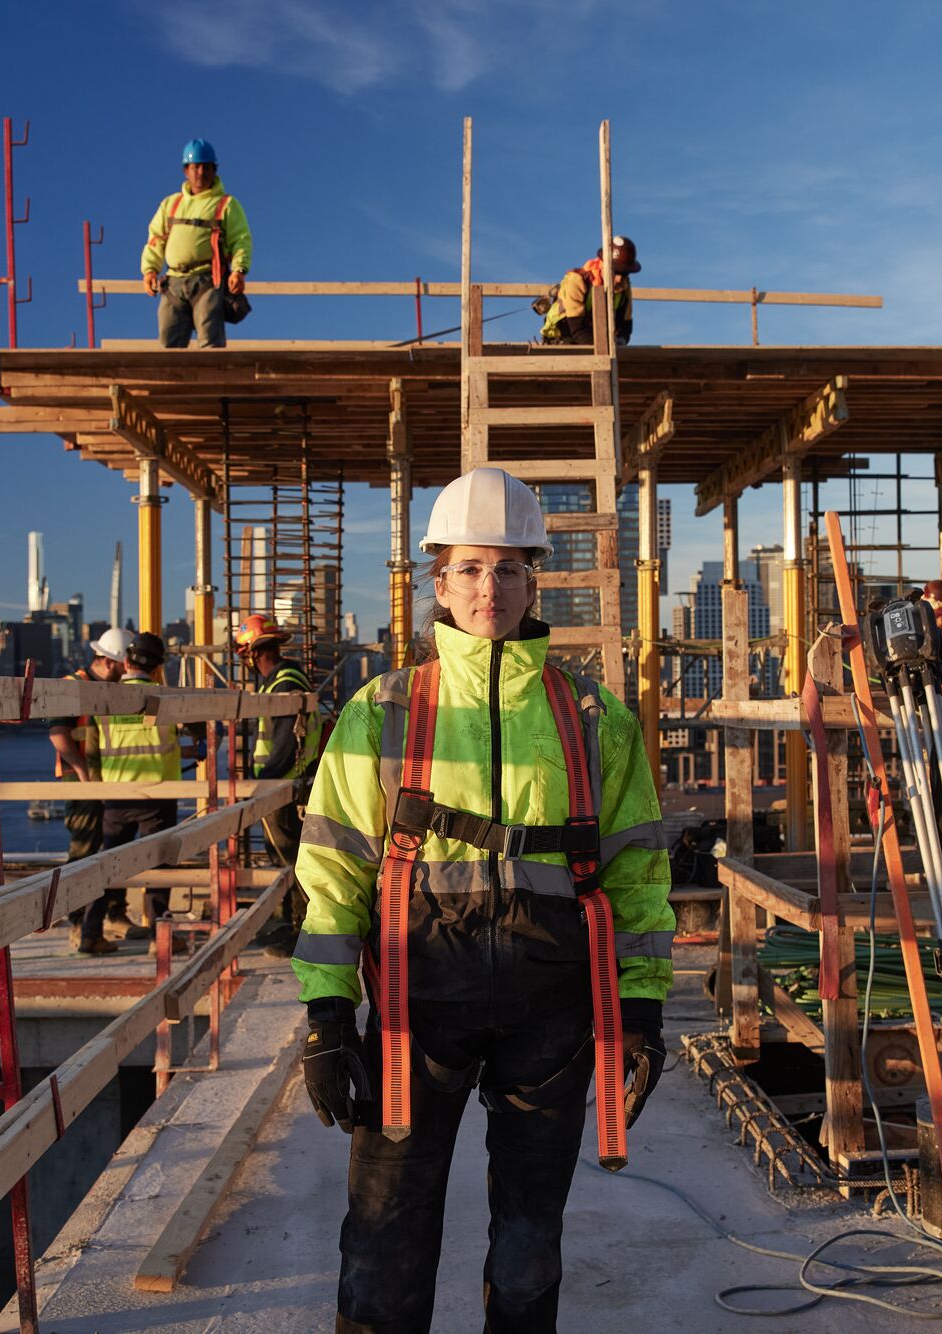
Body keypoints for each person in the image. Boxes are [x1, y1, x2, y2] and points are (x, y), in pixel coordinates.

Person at [292, 466, 673, 1332]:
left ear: (534, 576)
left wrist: (644, 1011)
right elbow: (333, 874)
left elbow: (640, 876)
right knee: (384, 1241)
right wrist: (324, 1017)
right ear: (439, 578)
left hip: (553, 1014)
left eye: (506, 568)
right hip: (413, 1009)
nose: (487, 588)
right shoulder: (380, 712)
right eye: (469, 568)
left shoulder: (594, 717)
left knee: (531, 1245)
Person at [234, 612, 320, 954]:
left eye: (247, 655)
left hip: (282, 786)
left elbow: (286, 743)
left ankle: (301, 930)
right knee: (285, 857)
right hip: (283, 783)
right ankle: (291, 925)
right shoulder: (281, 681)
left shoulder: (284, 683)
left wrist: (263, 784)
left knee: (290, 860)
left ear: (256, 652)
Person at [49, 627, 131, 955]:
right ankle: (79, 922)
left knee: (112, 848)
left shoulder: (107, 688)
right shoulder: (75, 686)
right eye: (125, 665)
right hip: (81, 781)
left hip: (104, 779)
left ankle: (112, 913)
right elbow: (59, 734)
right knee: (85, 850)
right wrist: (83, 773)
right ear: (112, 662)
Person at [95, 632, 182, 941]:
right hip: (158, 794)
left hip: (116, 795)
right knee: (160, 867)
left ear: (126, 661)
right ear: (159, 665)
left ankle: (91, 930)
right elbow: (198, 727)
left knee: (108, 865)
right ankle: (161, 935)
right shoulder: (166, 698)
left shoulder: (105, 697)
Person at [141, 138, 252, 350]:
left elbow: (241, 240)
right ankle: (172, 384)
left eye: (206, 167)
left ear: (214, 170)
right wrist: (149, 270)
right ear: (186, 171)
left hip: (208, 282)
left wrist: (239, 270)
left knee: (210, 345)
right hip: (173, 283)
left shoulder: (226, 205)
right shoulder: (171, 204)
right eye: (195, 167)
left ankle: (212, 383)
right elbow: (156, 239)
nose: (200, 172)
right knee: (168, 345)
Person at [538, 236, 639, 346]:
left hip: (598, 342)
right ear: (603, 265)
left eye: (624, 273)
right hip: (563, 339)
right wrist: (604, 348)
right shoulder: (577, 281)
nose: (619, 279)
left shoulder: (624, 287)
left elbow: (626, 327)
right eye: (616, 271)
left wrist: (620, 342)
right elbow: (577, 329)